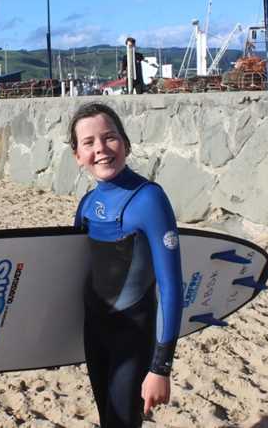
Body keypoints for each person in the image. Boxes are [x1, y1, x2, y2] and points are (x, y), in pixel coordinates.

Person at [70, 102, 183, 427]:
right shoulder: (87, 205)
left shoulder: (149, 199)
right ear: (78, 156)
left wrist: (160, 368)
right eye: (89, 143)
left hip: (132, 338)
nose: (101, 149)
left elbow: (172, 287)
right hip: (94, 333)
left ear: (126, 143)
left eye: (110, 138)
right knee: (109, 419)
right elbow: (71, 271)